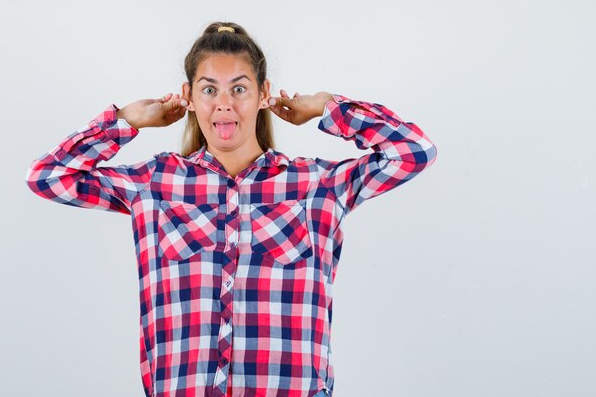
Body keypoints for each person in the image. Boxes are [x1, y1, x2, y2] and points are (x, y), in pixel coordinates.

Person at [25, 21, 438, 397]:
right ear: (188, 97)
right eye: (209, 89)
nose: (224, 104)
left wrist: (328, 108)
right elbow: (47, 176)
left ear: (262, 95)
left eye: (239, 88)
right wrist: (124, 120)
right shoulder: (153, 184)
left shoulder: (318, 187)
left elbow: (414, 151)